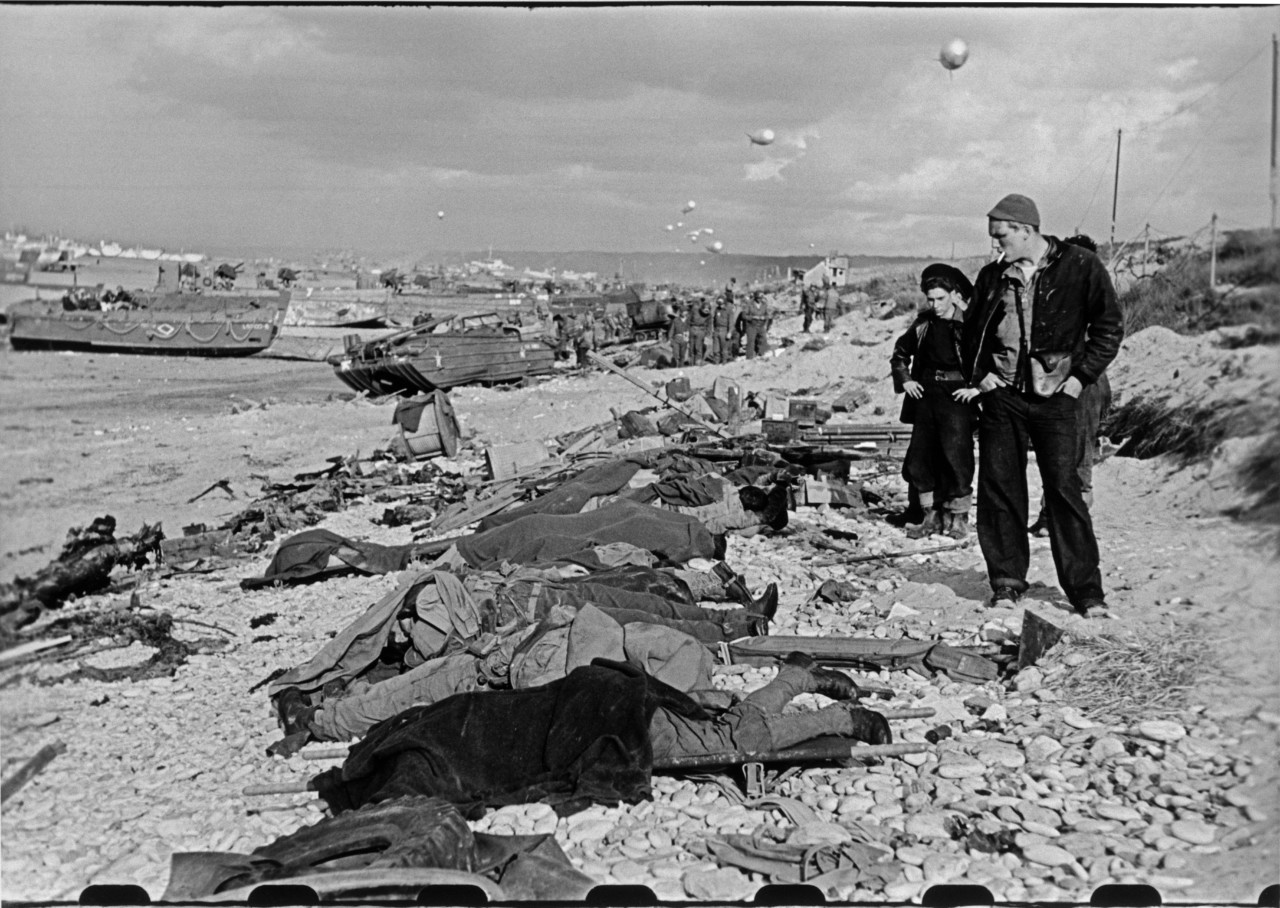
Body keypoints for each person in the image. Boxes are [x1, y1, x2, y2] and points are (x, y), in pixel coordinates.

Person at [958, 194, 1123, 616]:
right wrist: (981, 378)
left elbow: (1108, 327)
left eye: (1002, 237)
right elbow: (970, 331)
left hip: (1057, 399)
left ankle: (1086, 592)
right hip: (1004, 398)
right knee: (999, 490)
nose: (996, 246)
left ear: (1027, 230)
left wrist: (1079, 379)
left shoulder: (1080, 265)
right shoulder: (992, 276)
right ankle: (1007, 581)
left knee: (1065, 492)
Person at [1029, 235, 1113, 536]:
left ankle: (1069, 521)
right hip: (1057, 374)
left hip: (1084, 379)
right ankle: (1049, 514)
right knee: (1058, 449)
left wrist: (1081, 375)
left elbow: (1104, 339)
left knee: (1078, 451)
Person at [890, 264, 977, 539]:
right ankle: (930, 518)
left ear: (953, 295)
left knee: (957, 458)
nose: (936, 305)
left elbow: (986, 361)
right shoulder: (923, 324)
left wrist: (975, 390)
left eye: (941, 298)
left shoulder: (970, 324)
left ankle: (958, 519)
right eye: (931, 299)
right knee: (921, 457)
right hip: (926, 396)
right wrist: (906, 380)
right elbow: (900, 354)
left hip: (956, 398)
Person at [742, 291, 770, 358]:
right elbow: (744, 316)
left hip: (761, 325)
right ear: (755, 298)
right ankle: (749, 358)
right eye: (758, 298)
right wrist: (752, 317)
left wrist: (764, 318)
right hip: (751, 326)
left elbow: (767, 315)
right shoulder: (749, 304)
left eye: (761, 298)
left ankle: (761, 355)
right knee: (751, 343)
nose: (759, 300)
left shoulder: (764, 305)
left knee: (763, 340)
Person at [688, 295, 712, 365]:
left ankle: (697, 364)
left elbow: (709, 325)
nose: (706, 311)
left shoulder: (709, 315)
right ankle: (691, 364)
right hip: (692, 329)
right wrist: (686, 330)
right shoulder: (694, 310)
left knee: (698, 349)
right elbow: (688, 320)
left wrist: (708, 334)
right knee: (691, 348)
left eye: (707, 310)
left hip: (701, 331)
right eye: (705, 309)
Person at [667, 300, 690, 367]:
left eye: (686, 312)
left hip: (685, 338)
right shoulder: (676, 320)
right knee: (676, 354)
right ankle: (675, 367)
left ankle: (681, 367)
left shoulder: (688, 320)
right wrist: (670, 338)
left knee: (682, 355)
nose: (685, 313)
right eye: (683, 312)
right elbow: (672, 330)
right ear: (681, 312)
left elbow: (690, 329)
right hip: (677, 338)